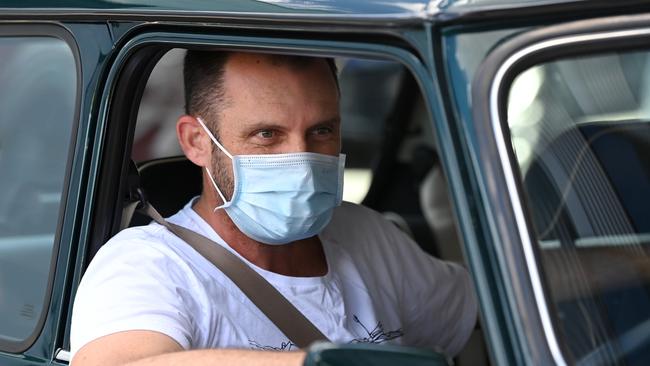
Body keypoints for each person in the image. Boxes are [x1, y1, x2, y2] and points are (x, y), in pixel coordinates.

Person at [70, 50, 477, 366]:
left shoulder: (365, 234)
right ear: (197, 141)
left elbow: (484, 320)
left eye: (321, 131)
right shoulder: (148, 265)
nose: (301, 160)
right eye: (267, 135)